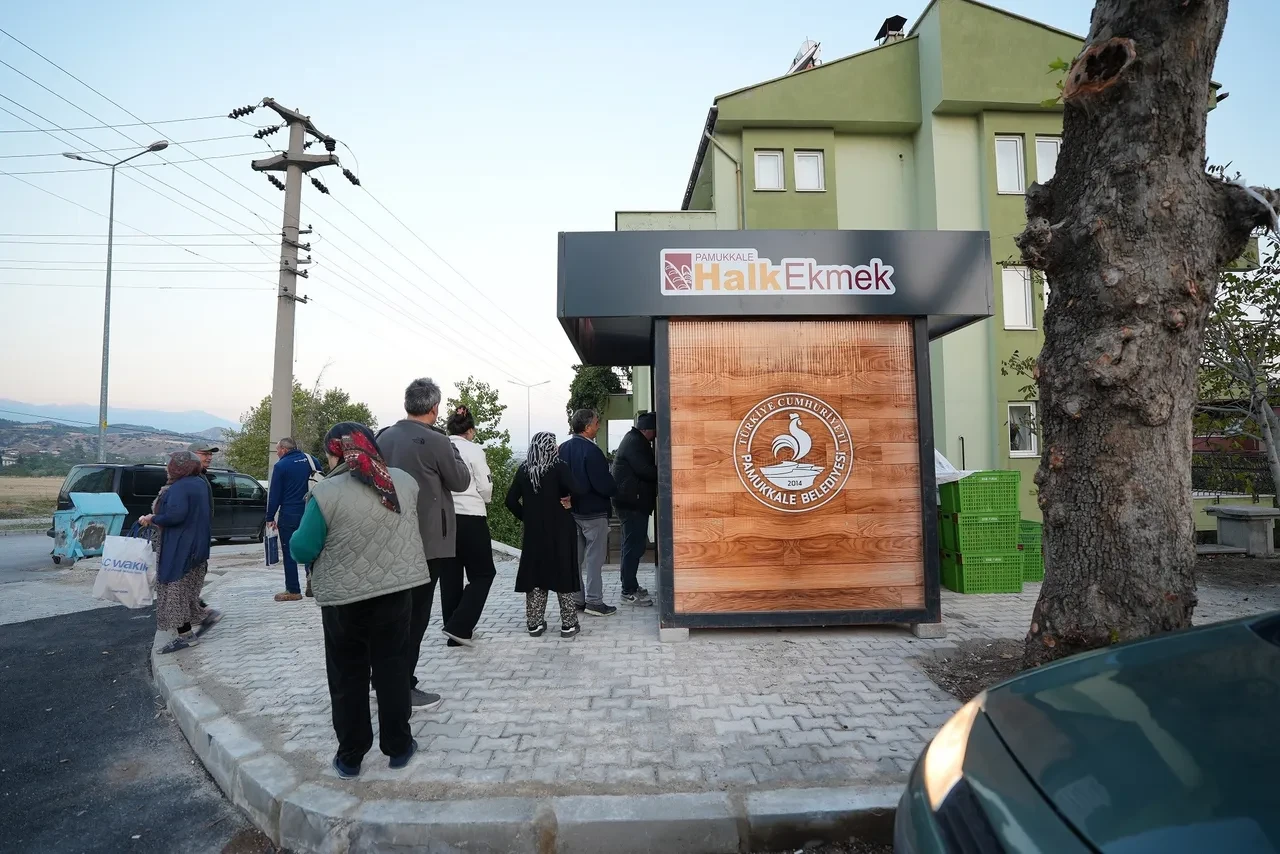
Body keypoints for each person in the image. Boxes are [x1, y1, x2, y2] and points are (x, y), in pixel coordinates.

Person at [288, 422, 431, 780]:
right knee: (393, 669)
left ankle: (351, 756)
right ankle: (398, 748)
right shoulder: (403, 482)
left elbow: (302, 547)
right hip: (396, 593)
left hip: (344, 601)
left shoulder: (326, 493)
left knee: (347, 675)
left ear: (336, 452)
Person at [376, 378, 471, 709]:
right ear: (434, 408)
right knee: (415, 615)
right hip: (428, 539)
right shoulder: (438, 441)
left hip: (387, 535)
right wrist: (454, 450)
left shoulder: (383, 436)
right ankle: (403, 685)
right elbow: (460, 481)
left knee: (390, 612)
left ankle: (382, 677)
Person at [505, 432, 584, 638]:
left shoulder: (524, 470)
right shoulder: (559, 467)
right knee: (563, 571)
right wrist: (570, 501)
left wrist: (527, 517)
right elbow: (579, 489)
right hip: (560, 530)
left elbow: (510, 501)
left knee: (536, 574)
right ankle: (568, 624)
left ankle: (535, 623)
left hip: (534, 533)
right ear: (549, 446)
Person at [140, 451, 219, 655]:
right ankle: (205, 616)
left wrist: (153, 518)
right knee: (187, 592)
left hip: (181, 548)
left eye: (171, 465)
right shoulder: (200, 483)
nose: (168, 468)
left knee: (175, 593)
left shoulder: (180, 487)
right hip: (197, 547)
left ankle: (186, 636)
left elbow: (175, 515)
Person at [439, 405, 497, 647]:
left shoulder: (440, 447)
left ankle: (455, 631)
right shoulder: (474, 450)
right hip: (470, 516)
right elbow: (484, 484)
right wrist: (484, 499)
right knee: (483, 573)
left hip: (443, 517)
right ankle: (459, 626)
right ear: (470, 430)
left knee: (450, 576)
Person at [558, 409, 617, 616]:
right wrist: (615, 488)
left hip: (571, 512)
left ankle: (577, 599)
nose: (598, 426)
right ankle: (594, 602)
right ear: (586, 427)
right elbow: (603, 485)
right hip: (594, 513)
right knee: (594, 559)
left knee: (575, 558)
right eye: (596, 423)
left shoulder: (562, 449)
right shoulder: (592, 452)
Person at [266, 437, 324, 602]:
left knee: (289, 550)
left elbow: (275, 493)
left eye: (277, 450)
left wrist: (270, 517)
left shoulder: (281, 466)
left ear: (284, 449)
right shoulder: (312, 460)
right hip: (311, 512)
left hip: (290, 514)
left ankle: (293, 590)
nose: (277, 454)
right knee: (311, 547)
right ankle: (312, 580)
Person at [611, 411, 658, 606]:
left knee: (630, 547)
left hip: (631, 503)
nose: (657, 435)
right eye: (656, 431)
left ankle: (630, 584)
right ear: (648, 430)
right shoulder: (635, 443)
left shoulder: (634, 440)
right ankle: (628, 591)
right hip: (632, 504)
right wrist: (668, 470)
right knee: (633, 547)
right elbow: (645, 471)